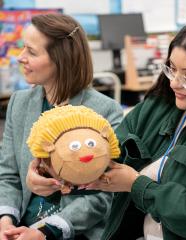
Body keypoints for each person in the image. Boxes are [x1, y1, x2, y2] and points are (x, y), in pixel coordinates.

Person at [83, 16, 186, 239]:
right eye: (171, 69)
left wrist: (137, 185)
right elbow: (108, 152)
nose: (174, 82)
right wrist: (58, 171)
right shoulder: (159, 106)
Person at [0, 13, 123, 240]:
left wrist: (46, 230)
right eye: (23, 48)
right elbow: (7, 175)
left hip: (71, 230)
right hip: (19, 226)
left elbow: (104, 195)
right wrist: (5, 223)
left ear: (61, 59)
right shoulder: (19, 103)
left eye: (32, 52)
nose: (20, 57)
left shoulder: (105, 111)